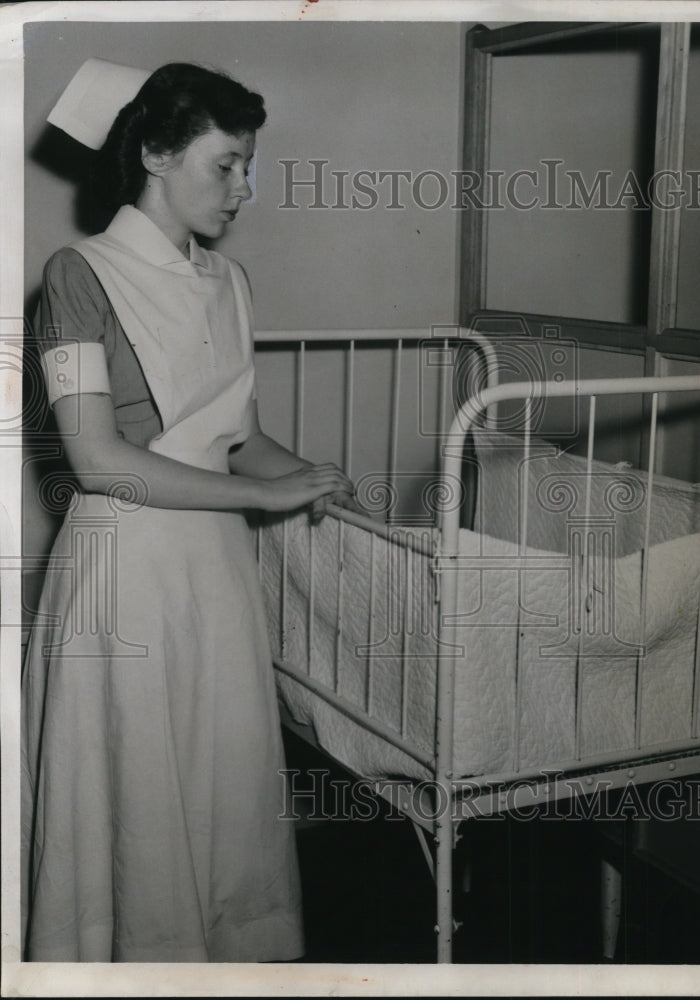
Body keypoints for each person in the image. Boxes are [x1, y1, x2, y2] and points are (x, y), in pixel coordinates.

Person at [21, 61, 355, 963]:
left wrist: (316, 477)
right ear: (158, 155)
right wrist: (260, 496)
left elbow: (238, 438)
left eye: (249, 166)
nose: (244, 188)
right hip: (125, 570)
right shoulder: (76, 275)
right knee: (134, 796)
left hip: (212, 570)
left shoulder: (229, 282)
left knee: (220, 781)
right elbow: (96, 461)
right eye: (226, 165)